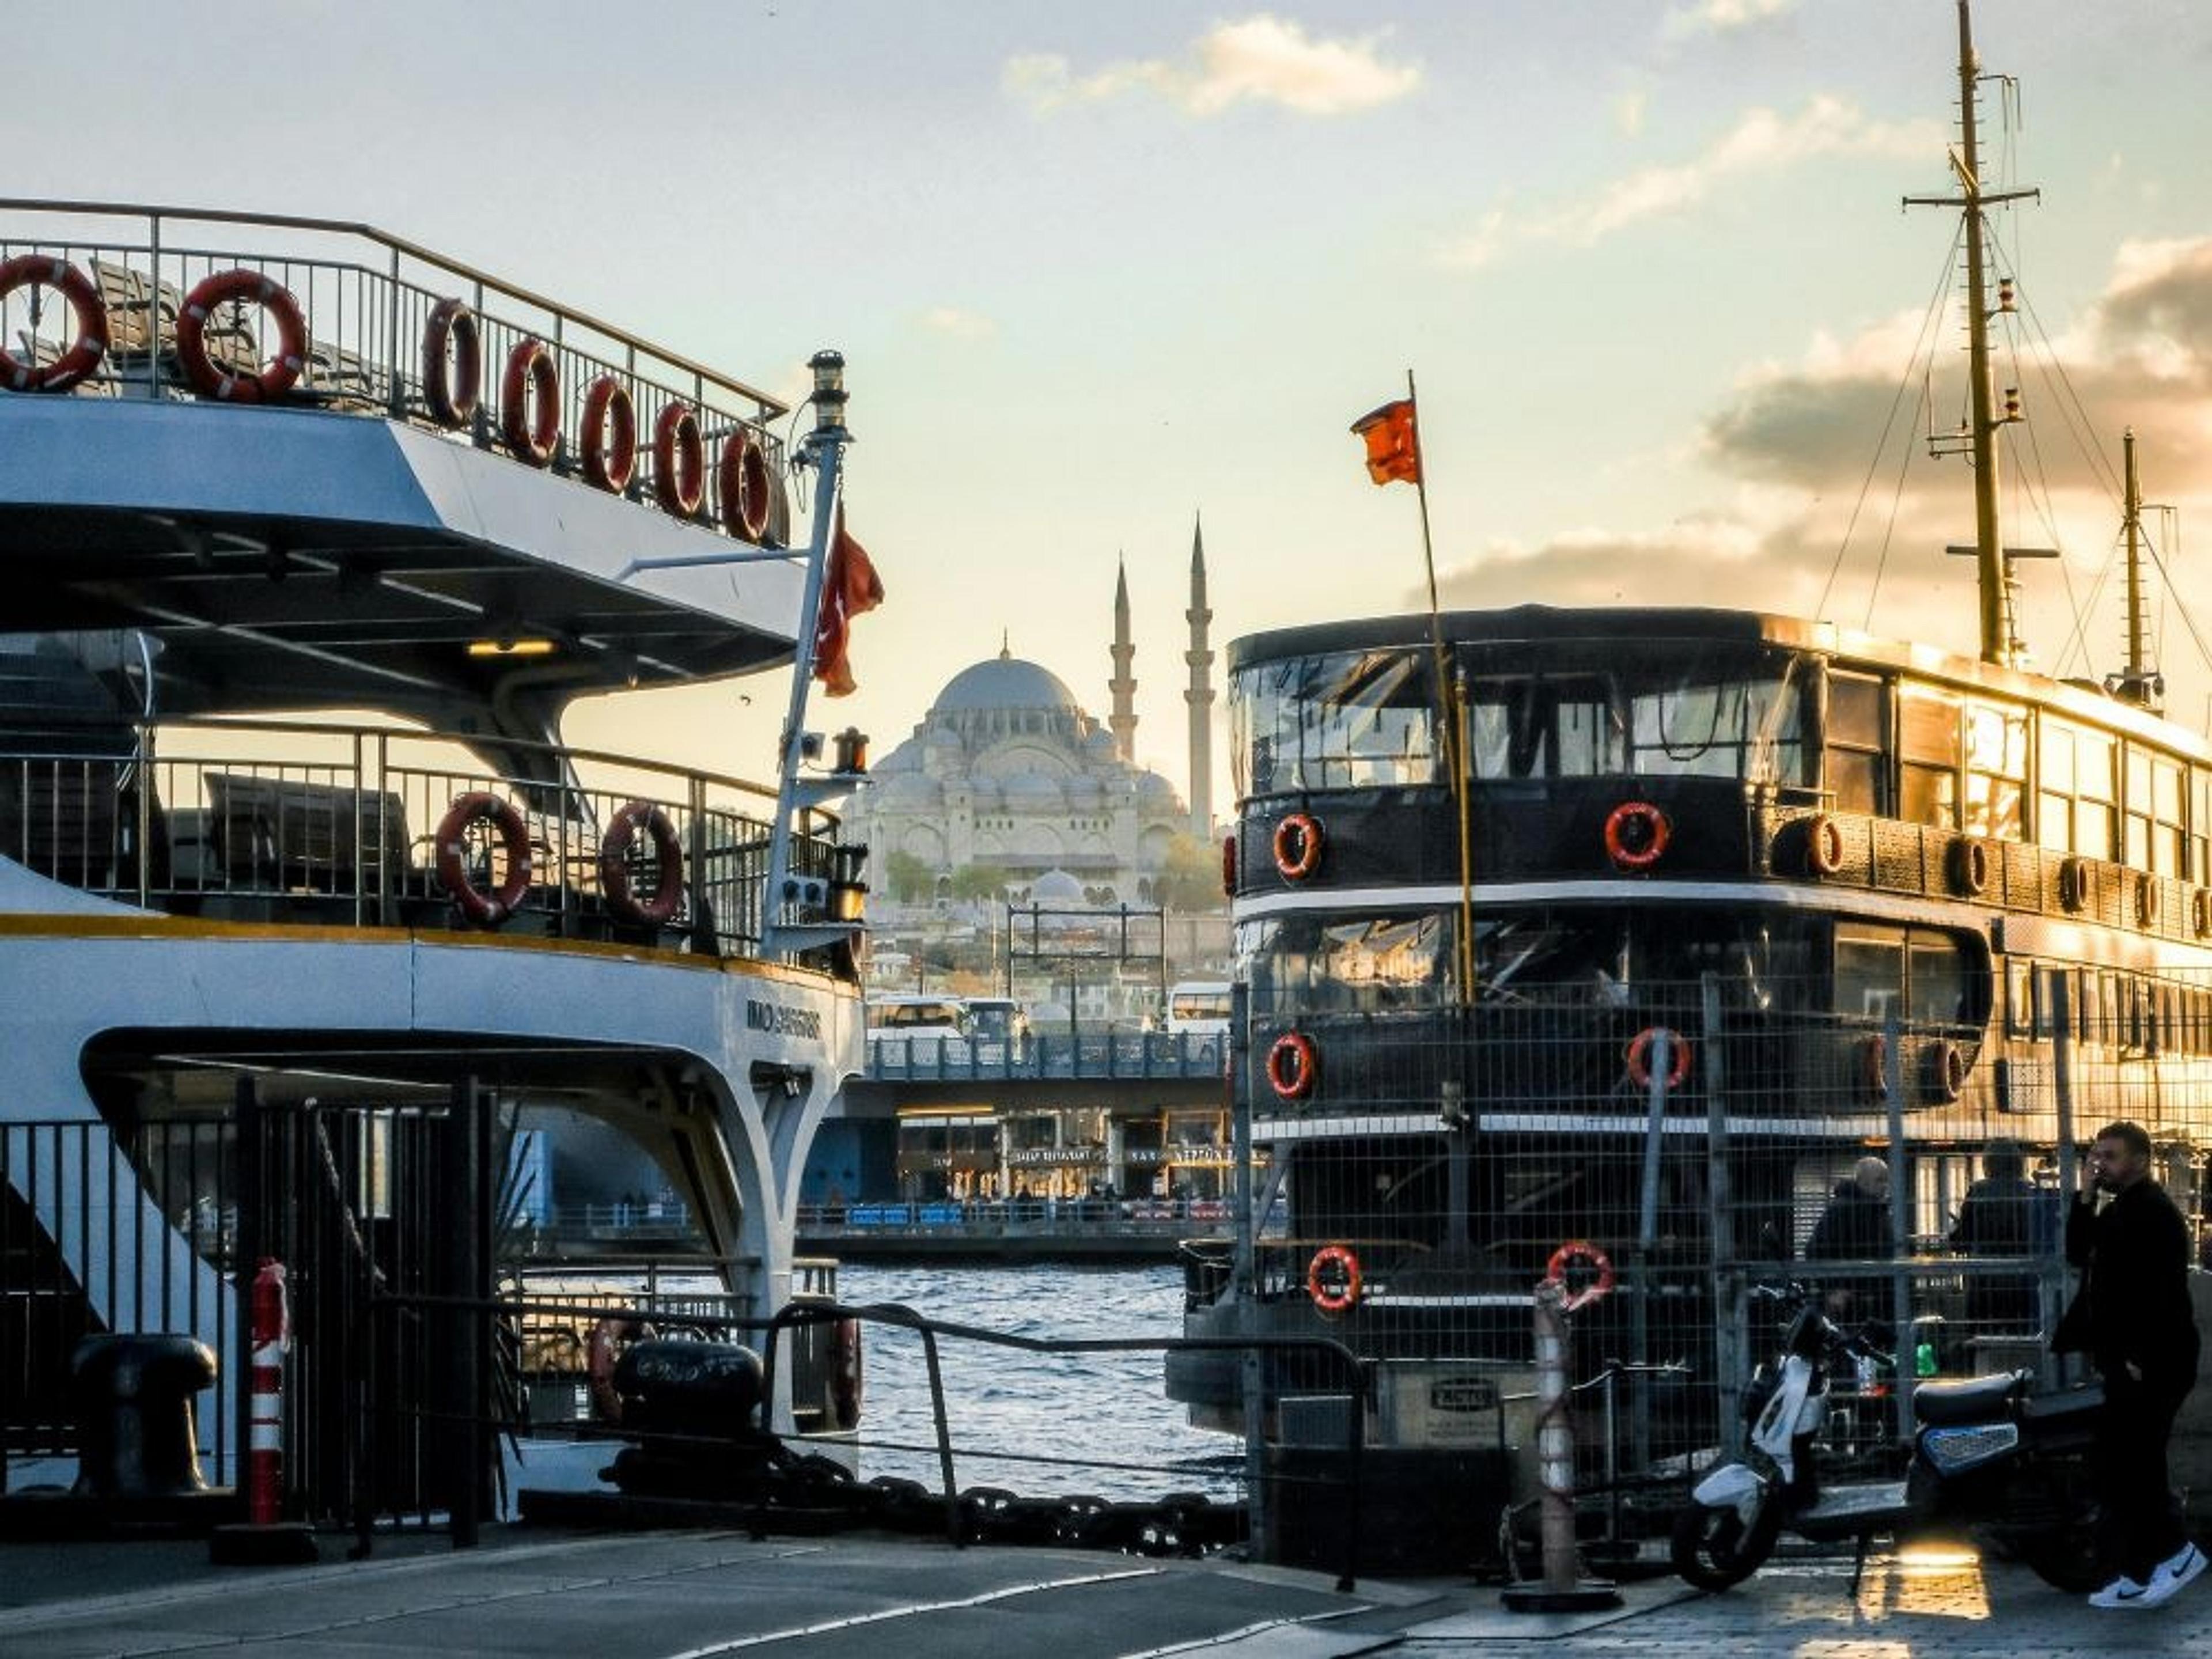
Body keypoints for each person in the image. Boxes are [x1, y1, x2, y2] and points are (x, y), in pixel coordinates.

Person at [2056, 1120, 2205, 1609]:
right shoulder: (2121, 1209)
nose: (2101, 1163)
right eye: (2096, 1155)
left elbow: (2157, 1295)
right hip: (2131, 1361)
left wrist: (2138, 1355)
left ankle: (2175, 1555)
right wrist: (2085, 1195)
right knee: (2122, 1467)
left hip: (2152, 1361)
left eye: (2111, 1156)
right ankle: (2137, 1572)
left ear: (2140, 1159)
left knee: (2133, 1466)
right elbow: (2078, 1253)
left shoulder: (2153, 1214)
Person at [1949, 1140, 2039, 1333]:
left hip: (1985, 1280)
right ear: (2018, 1163)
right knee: (2024, 1337)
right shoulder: (2031, 1191)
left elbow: (1962, 1239)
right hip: (2023, 1280)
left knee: (1982, 1338)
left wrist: (1954, 1235)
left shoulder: (1979, 1191)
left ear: (1988, 1163)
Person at [1804, 1156, 1894, 1321]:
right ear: (1863, 1181)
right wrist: (1832, 1289)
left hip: (1877, 1300)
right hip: (1853, 1304)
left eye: (1886, 1181)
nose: (1885, 1186)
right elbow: (1815, 1250)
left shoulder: (1878, 1210)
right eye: (1879, 1180)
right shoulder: (1842, 1210)